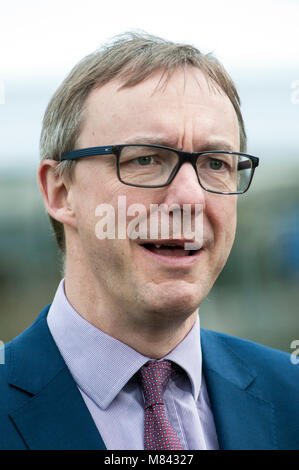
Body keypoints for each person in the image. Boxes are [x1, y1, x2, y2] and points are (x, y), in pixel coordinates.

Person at [0, 32, 298, 451]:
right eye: (145, 159)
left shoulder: (291, 395)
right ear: (61, 192)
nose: (191, 197)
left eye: (216, 163)